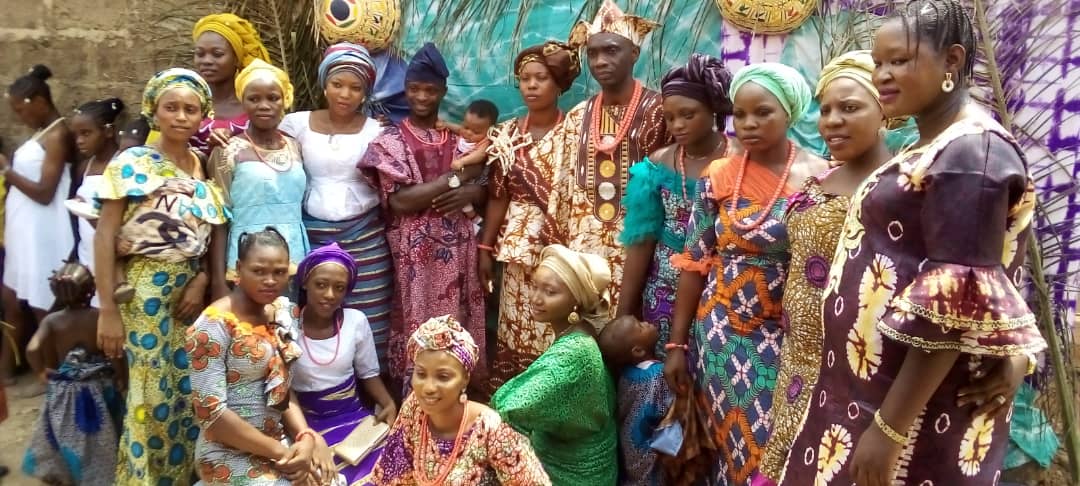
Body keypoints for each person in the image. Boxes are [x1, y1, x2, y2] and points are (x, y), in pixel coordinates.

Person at [778, 2, 1047, 484]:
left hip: (914, 415)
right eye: (878, 61)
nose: (883, 74)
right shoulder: (930, 145)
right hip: (871, 390)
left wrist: (889, 428)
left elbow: (957, 304)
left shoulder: (971, 153)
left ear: (952, 60)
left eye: (899, 60)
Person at [663, 62, 828, 485]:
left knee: (771, 447)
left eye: (763, 112)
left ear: (790, 111)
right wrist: (677, 343)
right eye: (740, 114)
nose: (749, 124)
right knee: (727, 445)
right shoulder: (719, 176)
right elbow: (693, 262)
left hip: (785, 337)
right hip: (719, 335)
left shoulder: (822, 180)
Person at [750, 50, 892, 485]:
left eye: (849, 108)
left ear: (885, 109)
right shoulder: (823, 180)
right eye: (825, 109)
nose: (831, 121)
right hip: (799, 363)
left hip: (856, 372)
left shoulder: (896, 189)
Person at [95, 68, 230, 485]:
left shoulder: (200, 166)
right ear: (153, 109)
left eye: (191, 109)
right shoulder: (133, 162)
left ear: (203, 115)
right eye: (171, 107)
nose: (181, 116)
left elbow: (204, 237)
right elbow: (105, 235)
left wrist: (203, 281)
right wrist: (108, 311)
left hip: (190, 297)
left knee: (188, 394)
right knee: (150, 398)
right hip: (143, 295)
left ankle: (185, 475)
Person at [358, 42, 487, 389]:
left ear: (443, 91)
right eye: (414, 89)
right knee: (417, 320)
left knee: (457, 320)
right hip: (414, 257)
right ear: (406, 89)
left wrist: (473, 190)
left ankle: (458, 395)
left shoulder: (461, 140)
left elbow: (486, 179)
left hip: (459, 251)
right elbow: (400, 202)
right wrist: (454, 179)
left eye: (430, 90)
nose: (422, 97)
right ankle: (416, 402)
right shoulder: (392, 141)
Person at [279, 42, 394, 373]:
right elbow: (264, 152)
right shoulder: (295, 124)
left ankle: (370, 391)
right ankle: (316, 385)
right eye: (337, 84)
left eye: (355, 88)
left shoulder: (378, 132)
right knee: (316, 310)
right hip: (312, 235)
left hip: (366, 237)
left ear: (365, 93)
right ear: (324, 84)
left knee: (371, 312)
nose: (345, 94)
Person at [186, 228, 334, 485]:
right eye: (259, 271)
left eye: (279, 272)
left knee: (327, 481)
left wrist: (305, 437)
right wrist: (284, 454)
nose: (270, 280)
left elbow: (281, 390)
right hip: (226, 451)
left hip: (277, 443)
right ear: (238, 269)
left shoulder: (282, 313)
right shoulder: (213, 327)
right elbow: (212, 417)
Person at [617, 53, 736, 356]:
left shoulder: (738, 162)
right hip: (662, 292)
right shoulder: (659, 165)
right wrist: (624, 313)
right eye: (670, 118)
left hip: (719, 288)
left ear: (712, 110)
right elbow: (641, 240)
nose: (677, 125)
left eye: (688, 114)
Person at [553, 0, 668, 314]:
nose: (600, 60)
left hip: (642, 255)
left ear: (634, 53)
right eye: (593, 53)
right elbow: (562, 190)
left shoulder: (661, 112)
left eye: (611, 50)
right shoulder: (578, 116)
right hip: (584, 258)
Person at [480, 41, 581, 390]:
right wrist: (484, 249)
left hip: (560, 246)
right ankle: (516, 400)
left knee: (554, 322)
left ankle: (552, 397)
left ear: (559, 84)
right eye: (525, 79)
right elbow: (497, 196)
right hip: (516, 248)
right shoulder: (507, 134)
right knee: (515, 323)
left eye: (541, 78)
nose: (532, 86)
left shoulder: (576, 133)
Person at [491, 244, 618, 486]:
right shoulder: (578, 333)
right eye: (535, 286)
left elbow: (509, 408)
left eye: (550, 292)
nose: (535, 298)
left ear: (576, 300)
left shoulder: (574, 353)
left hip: (572, 474)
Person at [371, 315, 550, 485]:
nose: (428, 387)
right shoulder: (414, 409)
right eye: (421, 374)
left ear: (465, 378)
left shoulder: (491, 430)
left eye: (443, 377)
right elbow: (391, 474)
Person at [290, 243, 399, 485]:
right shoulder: (287, 325)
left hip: (354, 418)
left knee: (390, 468)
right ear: (305, 282)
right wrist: (304, 436)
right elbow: (283, 393)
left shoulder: (355, 321)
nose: (330, 294)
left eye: (339, 288)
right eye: (321, 285)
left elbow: (368, 373)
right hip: (308, 425)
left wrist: (388, 403)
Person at [0, 64, 75, 385]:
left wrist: (6, 171)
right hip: (26, 231)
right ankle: (21, 373)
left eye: (21, 110)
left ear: (38, 101)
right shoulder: (40, 134)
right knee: (18, 301)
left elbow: (45, 192)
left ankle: (55, 376)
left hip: (44, 230)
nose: (20, 117)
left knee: (44, 303)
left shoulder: (58, 134)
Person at [209, 59, 309, 293]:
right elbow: (218, 218)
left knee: (286, 324)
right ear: (243, 103)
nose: (264, 105)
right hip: (246, 263)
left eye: (273, 98)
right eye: (254, 99)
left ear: (285, 100)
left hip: (291, 261)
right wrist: (217, 279)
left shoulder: (295, 147)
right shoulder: (227, 150)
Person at [22, 261, 124, 486]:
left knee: (66, 435)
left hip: (64, 390)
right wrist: (121, 377)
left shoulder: (52, 320)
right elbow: (114, 353)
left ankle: (67, 475)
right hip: (99, 387)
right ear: (92, 290)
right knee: (103, 437)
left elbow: (31, 349)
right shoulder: (99, 317)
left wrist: (40, 372)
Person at [65, 97, 126, 309]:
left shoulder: (122, 166)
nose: (79, 141)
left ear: (108, 132)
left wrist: (88, 213)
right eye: (76, 135)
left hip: (113, 258)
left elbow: (124, 224)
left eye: (86, 133)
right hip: (86, 255)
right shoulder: (85, 167)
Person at [597, 315, 671, 486]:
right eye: (640, 326)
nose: (646, 322)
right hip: (649, 453)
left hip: (629, 449)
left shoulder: (626, 375)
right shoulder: (658, 375)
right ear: (638, 351)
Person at [190, 13, 271, 156]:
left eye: (217, 54)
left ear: (236, 59)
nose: (206, 61)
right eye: (200, 54)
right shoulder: (184, 102)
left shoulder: (256, 105)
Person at [446, 99, 499, 225]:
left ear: (489, 131)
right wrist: (445, 124)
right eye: (466, 127)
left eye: (476, 132)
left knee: (461, 193)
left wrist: (463, 161)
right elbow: (458, 129)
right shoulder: (464, 132)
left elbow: (480, 155)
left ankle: (473, 216)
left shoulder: (485, 141)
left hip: (475, 177)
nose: (468, 133)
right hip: (459, 172)